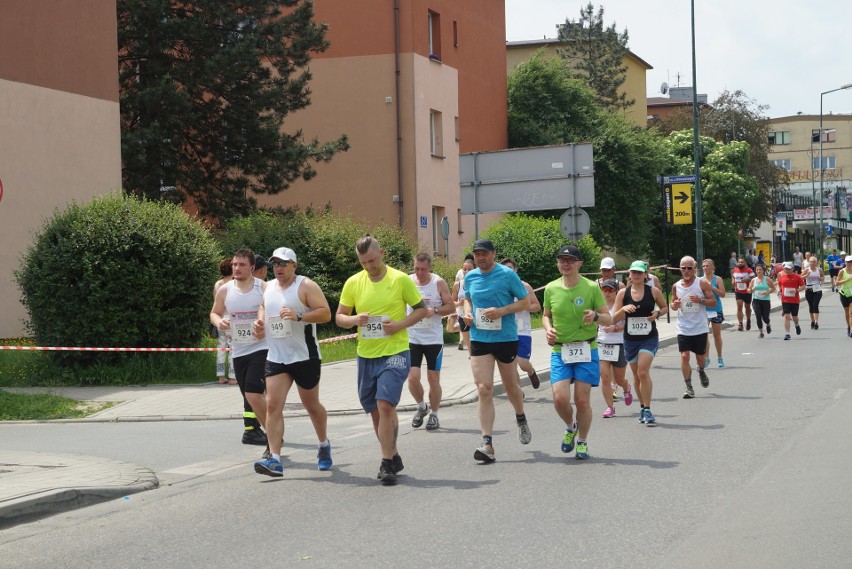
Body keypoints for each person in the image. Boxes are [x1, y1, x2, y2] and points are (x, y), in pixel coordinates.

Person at [335, 236, 429, 485]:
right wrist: (354, 320)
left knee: (385, 405)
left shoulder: (399, 280)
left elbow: (421, 310)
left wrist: (399, 325)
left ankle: (386, 462)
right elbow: (340, 317)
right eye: (363, 262)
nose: (369, 266)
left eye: (373, 260)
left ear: (382, 253)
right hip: (366, 355)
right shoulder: (354, 283)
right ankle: (394, 454)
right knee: (376, 411)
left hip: (396, 352)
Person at [253, 247, 333, 477]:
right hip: (277, 356)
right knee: (273, 405)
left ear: (294, 266)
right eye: (275, 263)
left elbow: (325, 313)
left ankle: (323, 444)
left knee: (312, 406)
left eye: (283, 263)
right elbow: (263, 307)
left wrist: (300, 316)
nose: (278, 267)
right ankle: (275, 459)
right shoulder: (268, 287)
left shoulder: (306, 286)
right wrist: (260, 322)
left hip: (304, 356)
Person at [462, 238, 532, 463]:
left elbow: (524, 302)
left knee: (511, 386)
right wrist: (467, 313)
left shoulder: (507, 274)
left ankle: (520, 418)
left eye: (484, 254)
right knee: (484, 388)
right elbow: (466, 300)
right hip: (480, 337)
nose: (480, 258)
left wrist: (501, 311)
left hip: (505, 337)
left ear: (493, 254)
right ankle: (487, 443)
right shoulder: (470, 276)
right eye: (476, 254)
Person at [542, 245, 611, 459]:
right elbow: (545, 315)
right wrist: (548, 329)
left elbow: (609, 317)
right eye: (562, 260)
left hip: (586, 349)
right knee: (560, 399)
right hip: (560, 350)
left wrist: (596, 317)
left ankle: (582, 441)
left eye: (570, 260)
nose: (565, 264)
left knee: (582, 400)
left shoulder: (591, 287)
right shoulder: (550, 288)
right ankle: (570, 427)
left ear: (579, 263)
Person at [210, 248, 269, 446]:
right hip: (239, 350)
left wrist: (263, 325)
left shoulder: (263, 288)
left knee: (253, 390)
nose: (237, 268)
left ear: (252, 267)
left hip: (262, 348)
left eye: (242, 265)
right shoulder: (225, 289)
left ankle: (272, 434)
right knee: (249, 395)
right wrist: (219, 323)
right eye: (235, 264)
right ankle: (256, 430)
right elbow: (215, 312)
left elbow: (272, 311)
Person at [613, 260, 667, 424]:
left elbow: (665, 307)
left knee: (643, 371)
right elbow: (613, 318)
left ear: (645, 274)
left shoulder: (654, 291)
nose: (636, 275)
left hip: (649, 337)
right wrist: (623, 309)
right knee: (637, 376)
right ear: (629, 274)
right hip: (630, 340)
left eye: (639, 272)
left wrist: (656, 314)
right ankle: (643, 407)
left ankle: (648, 410)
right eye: (633, 272)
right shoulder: (623, 294)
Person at [407, 253, 456, 431]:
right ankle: (422, 407)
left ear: (429, 268)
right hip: (412, 338)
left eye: (423, 269)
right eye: (417, 269)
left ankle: (434, 414)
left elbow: (451, 306)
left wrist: (434, 310)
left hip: (433, 340)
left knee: (433, 378)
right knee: (412, 378)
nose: (419, 273)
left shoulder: (438, 283)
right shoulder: (407, 281)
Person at [670, 256, 716, 399]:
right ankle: (688, 386)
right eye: (683, 268)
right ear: (680, 269)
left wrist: (700, 300)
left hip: (699, 328)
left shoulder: (702, 284)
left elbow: (713, 302)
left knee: (700, 358)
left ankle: (701, 370)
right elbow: (672, 304)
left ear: (695, 269)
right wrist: (675, 304)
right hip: (683, 327)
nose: (686, 271)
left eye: (689, 268)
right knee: (684, 356)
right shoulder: (676, 286)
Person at [501, 258, 542, 389]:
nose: (508, 271)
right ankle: (518, 392)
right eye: (504, 269)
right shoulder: (500, 288)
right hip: (507, 330)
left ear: (516, 269)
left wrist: (522, 305)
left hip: (522, 329)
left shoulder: (524, 286)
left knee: (522, 363)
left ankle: (531, 371)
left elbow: (537, 306)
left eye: (510, 268)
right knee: (511, 366)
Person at [596, 278, 632, 418]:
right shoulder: (598, 306)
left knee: (618, 379)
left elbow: (628, 324)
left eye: (611, 290)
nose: (607, 293)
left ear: (617, 292)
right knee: (605, 377)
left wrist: (615, 328)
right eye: (604, 290)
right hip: (603, 343)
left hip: (619, 343)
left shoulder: (622, 306)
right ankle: (610, 407)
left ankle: (626, 387)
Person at [213, 257, 236, 385]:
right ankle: (233, 377)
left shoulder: (217, 284)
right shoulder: (235, 283)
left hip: (221, 319)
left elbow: (215, 305)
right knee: (233, 347)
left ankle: (220, 377)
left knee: (221, 348)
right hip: (232, 319)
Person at [701, 259, 727, 368]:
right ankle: (706, 357)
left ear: (712, 268)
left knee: (716, 335)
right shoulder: (700, 280)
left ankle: (719, 357)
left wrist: (712, 288)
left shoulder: (718, 279)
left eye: (707, 266)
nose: (705, 268)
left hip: (716, 309)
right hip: (704, 310)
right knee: (703, 334)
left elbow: (723, 294)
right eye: (703, 266)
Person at [776, 261, 806, 341]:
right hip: (785, 300)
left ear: (792, 269)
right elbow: (779, 285)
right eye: (786, 269)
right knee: (786, 316)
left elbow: (803, 287)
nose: (787, 270)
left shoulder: (797, 277)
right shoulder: (782, 277)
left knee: (794, 316)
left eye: (789, 269)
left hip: (795, 300)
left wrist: (796, 290)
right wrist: (779, 290)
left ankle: (796, 325)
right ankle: (787, 334)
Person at [452, 255, 475, 353]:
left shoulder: (479, 283)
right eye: (464, 269)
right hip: (463, 316)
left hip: (476, 316)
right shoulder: (458, 285)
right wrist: (459, 303)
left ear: (475, 269)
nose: (466, 271)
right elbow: (452, 301)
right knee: (470, 349)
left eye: (469, 269)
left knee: (477, 345)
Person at [747, 264, 776, 338]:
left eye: (760, 269)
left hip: (765, 300)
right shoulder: (754, 280)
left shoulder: (767, 279)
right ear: (755, 271)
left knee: (765, 317)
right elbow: (748, 290)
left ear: (763, 271)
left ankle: (768, 324)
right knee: (758, 315)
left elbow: (773, 288)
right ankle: (761, 332)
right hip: (756, 300)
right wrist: (750, 290)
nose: (758, 271)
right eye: (757, 270)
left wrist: (767, 292)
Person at [802, 255, 825, 329]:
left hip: (817, 289)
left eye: (814, 262)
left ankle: (816, 322)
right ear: (809, 262)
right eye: (811, 262)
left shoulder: (819, 270)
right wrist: (806, 275)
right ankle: (812, 321)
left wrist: (820, 278)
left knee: (815, 305)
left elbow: (823, 277)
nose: (812, 263)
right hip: (809, 289)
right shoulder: (806, 270)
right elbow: (800, 277)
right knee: (811, 306)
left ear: (816, 263)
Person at [732, 257, 755, 331]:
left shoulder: (749, 270)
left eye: (742, 262)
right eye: (739, 262)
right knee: (739, 307)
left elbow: (754, 279)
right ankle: (740, 323)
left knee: (747, 307)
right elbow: (733, 276)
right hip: (738, 291)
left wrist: (747, 279)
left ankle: (748, 320)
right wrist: (733, 281)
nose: (740, 263)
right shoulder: (735, 270)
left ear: (745, 263)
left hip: (747, 291)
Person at [836, 255, 852, 337]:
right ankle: (849, 327)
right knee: (847, 312)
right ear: (845, 262)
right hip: (844, 293)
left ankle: (851, 329)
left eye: (851, 262)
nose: (850, 263)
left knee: (851, 312)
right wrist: (847, 279)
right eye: (848, 262)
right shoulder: (842, 271)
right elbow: (837, 283)